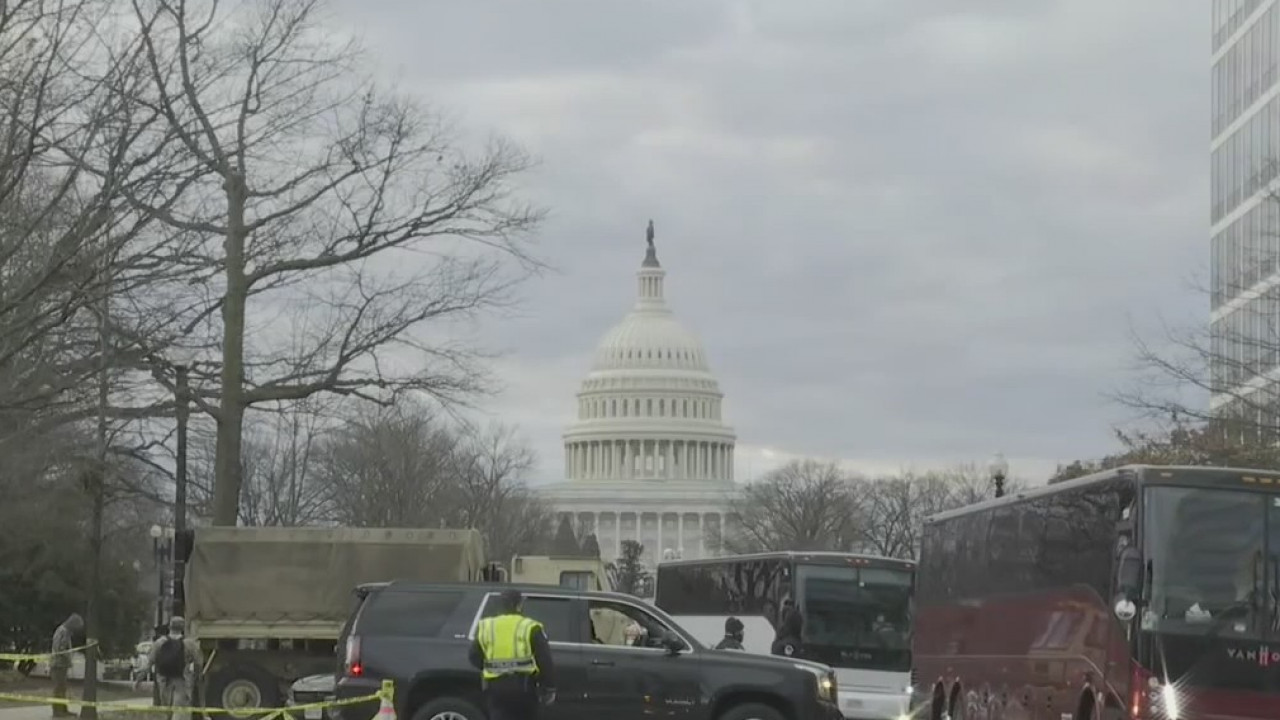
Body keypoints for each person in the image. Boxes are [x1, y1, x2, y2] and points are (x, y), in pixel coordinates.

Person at [469, 589, 556, 720]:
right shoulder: (530, 626)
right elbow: (544, 660)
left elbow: (473, 656)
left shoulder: (487, 626)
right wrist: (548, 687)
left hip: (496, 689)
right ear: (519, 605)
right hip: (524, 690)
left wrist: (489, 668)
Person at [135, 616, 204, 720]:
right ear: (183, 628)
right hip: (182, 681)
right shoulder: (189, 644)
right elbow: (199, 663)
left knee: (167, 712)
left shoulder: (159, 643)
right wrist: (197, 678)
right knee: (181, 711)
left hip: (163, 682)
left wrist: (138, 681)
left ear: (169, 627)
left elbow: (148, 664)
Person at [49, 613, 83, 717]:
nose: (76, 630)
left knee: (62, 688)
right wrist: (69, 659)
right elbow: (61, 649)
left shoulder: (64, 631)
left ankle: (63, 709)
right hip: (58, 665)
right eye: (76, 627)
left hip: (61, 664)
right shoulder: (63, 632)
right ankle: (58, 711)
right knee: (59, 688)